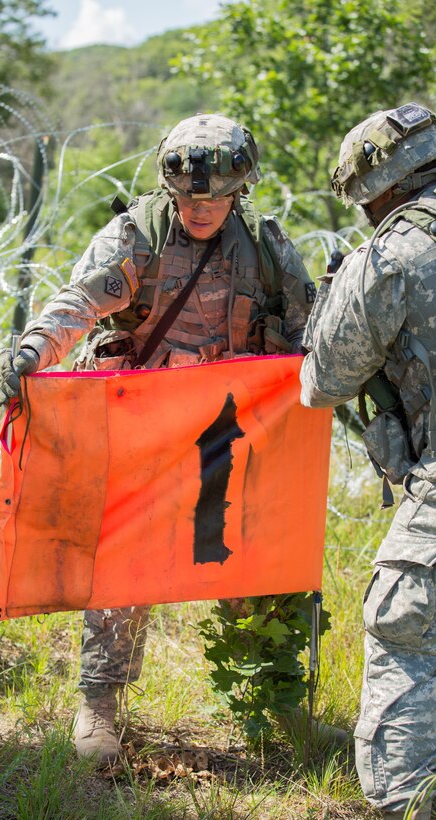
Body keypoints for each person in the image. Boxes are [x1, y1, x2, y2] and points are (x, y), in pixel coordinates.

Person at [0, 113, 316, 764]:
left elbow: (308, 328)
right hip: (142, 423)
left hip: (233, 428)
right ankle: (100, 708)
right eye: (188, 198)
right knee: (123, 567)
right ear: (170, 190)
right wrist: (30, 350)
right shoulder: (139, 234)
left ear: (238, 191)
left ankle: (273, 706)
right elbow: (76, 304)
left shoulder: (264, 243)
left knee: (258, 558)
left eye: (214, 198)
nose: (199, 209)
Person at [300, 102, 436, 820]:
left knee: (404, 632)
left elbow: (322, 380)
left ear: (379, 187)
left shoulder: (393, 252)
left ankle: (406, 804)